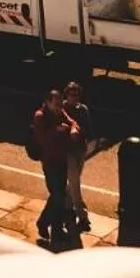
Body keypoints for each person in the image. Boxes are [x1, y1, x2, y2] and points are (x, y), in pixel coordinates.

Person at [30, 88, 77, 245]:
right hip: (50, 162)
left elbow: (72, 122)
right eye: (56, 104)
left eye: (60, 103)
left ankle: (55, 229)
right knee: (57, 195)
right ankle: (44, 223)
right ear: (48, 102)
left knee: (59, 196)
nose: (59, 107)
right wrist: (58, 131)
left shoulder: (60, 112)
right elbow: (42, 139)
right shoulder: (40, 117)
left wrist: (73, 129)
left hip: (61, 159)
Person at [62, 81, 93, 234]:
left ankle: (67, 206)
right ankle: (82, 215)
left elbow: (88, 129)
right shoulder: (61, 110)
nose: (74, 98)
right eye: (71, 95)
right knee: (75, 183)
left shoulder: (83, 110)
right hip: (67, 151)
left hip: (79, 150)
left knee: (73, 180)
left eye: (77, 95)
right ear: (66, 95)